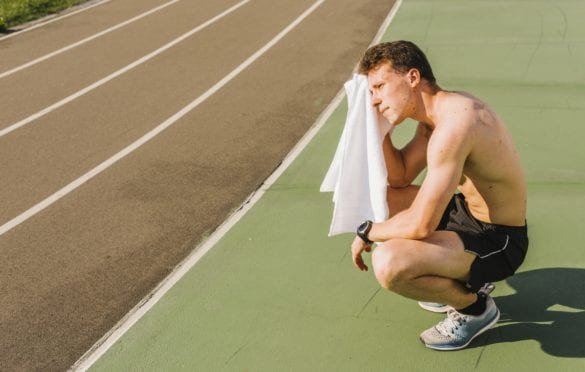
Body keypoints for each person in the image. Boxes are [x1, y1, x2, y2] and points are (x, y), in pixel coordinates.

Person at [351, 40, 528, 350]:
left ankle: (474, 309)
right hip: (466, 214)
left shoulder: (457, 124)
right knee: (384, 199)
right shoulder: (435, 116)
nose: (374, 100)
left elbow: (420, 226)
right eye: (371, 92)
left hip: (498, 239)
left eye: (380, 86)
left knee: (389, 263)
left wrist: (367, 231)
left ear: (413, 77)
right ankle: (448, 282)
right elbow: (401, 176)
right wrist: (377, 132)